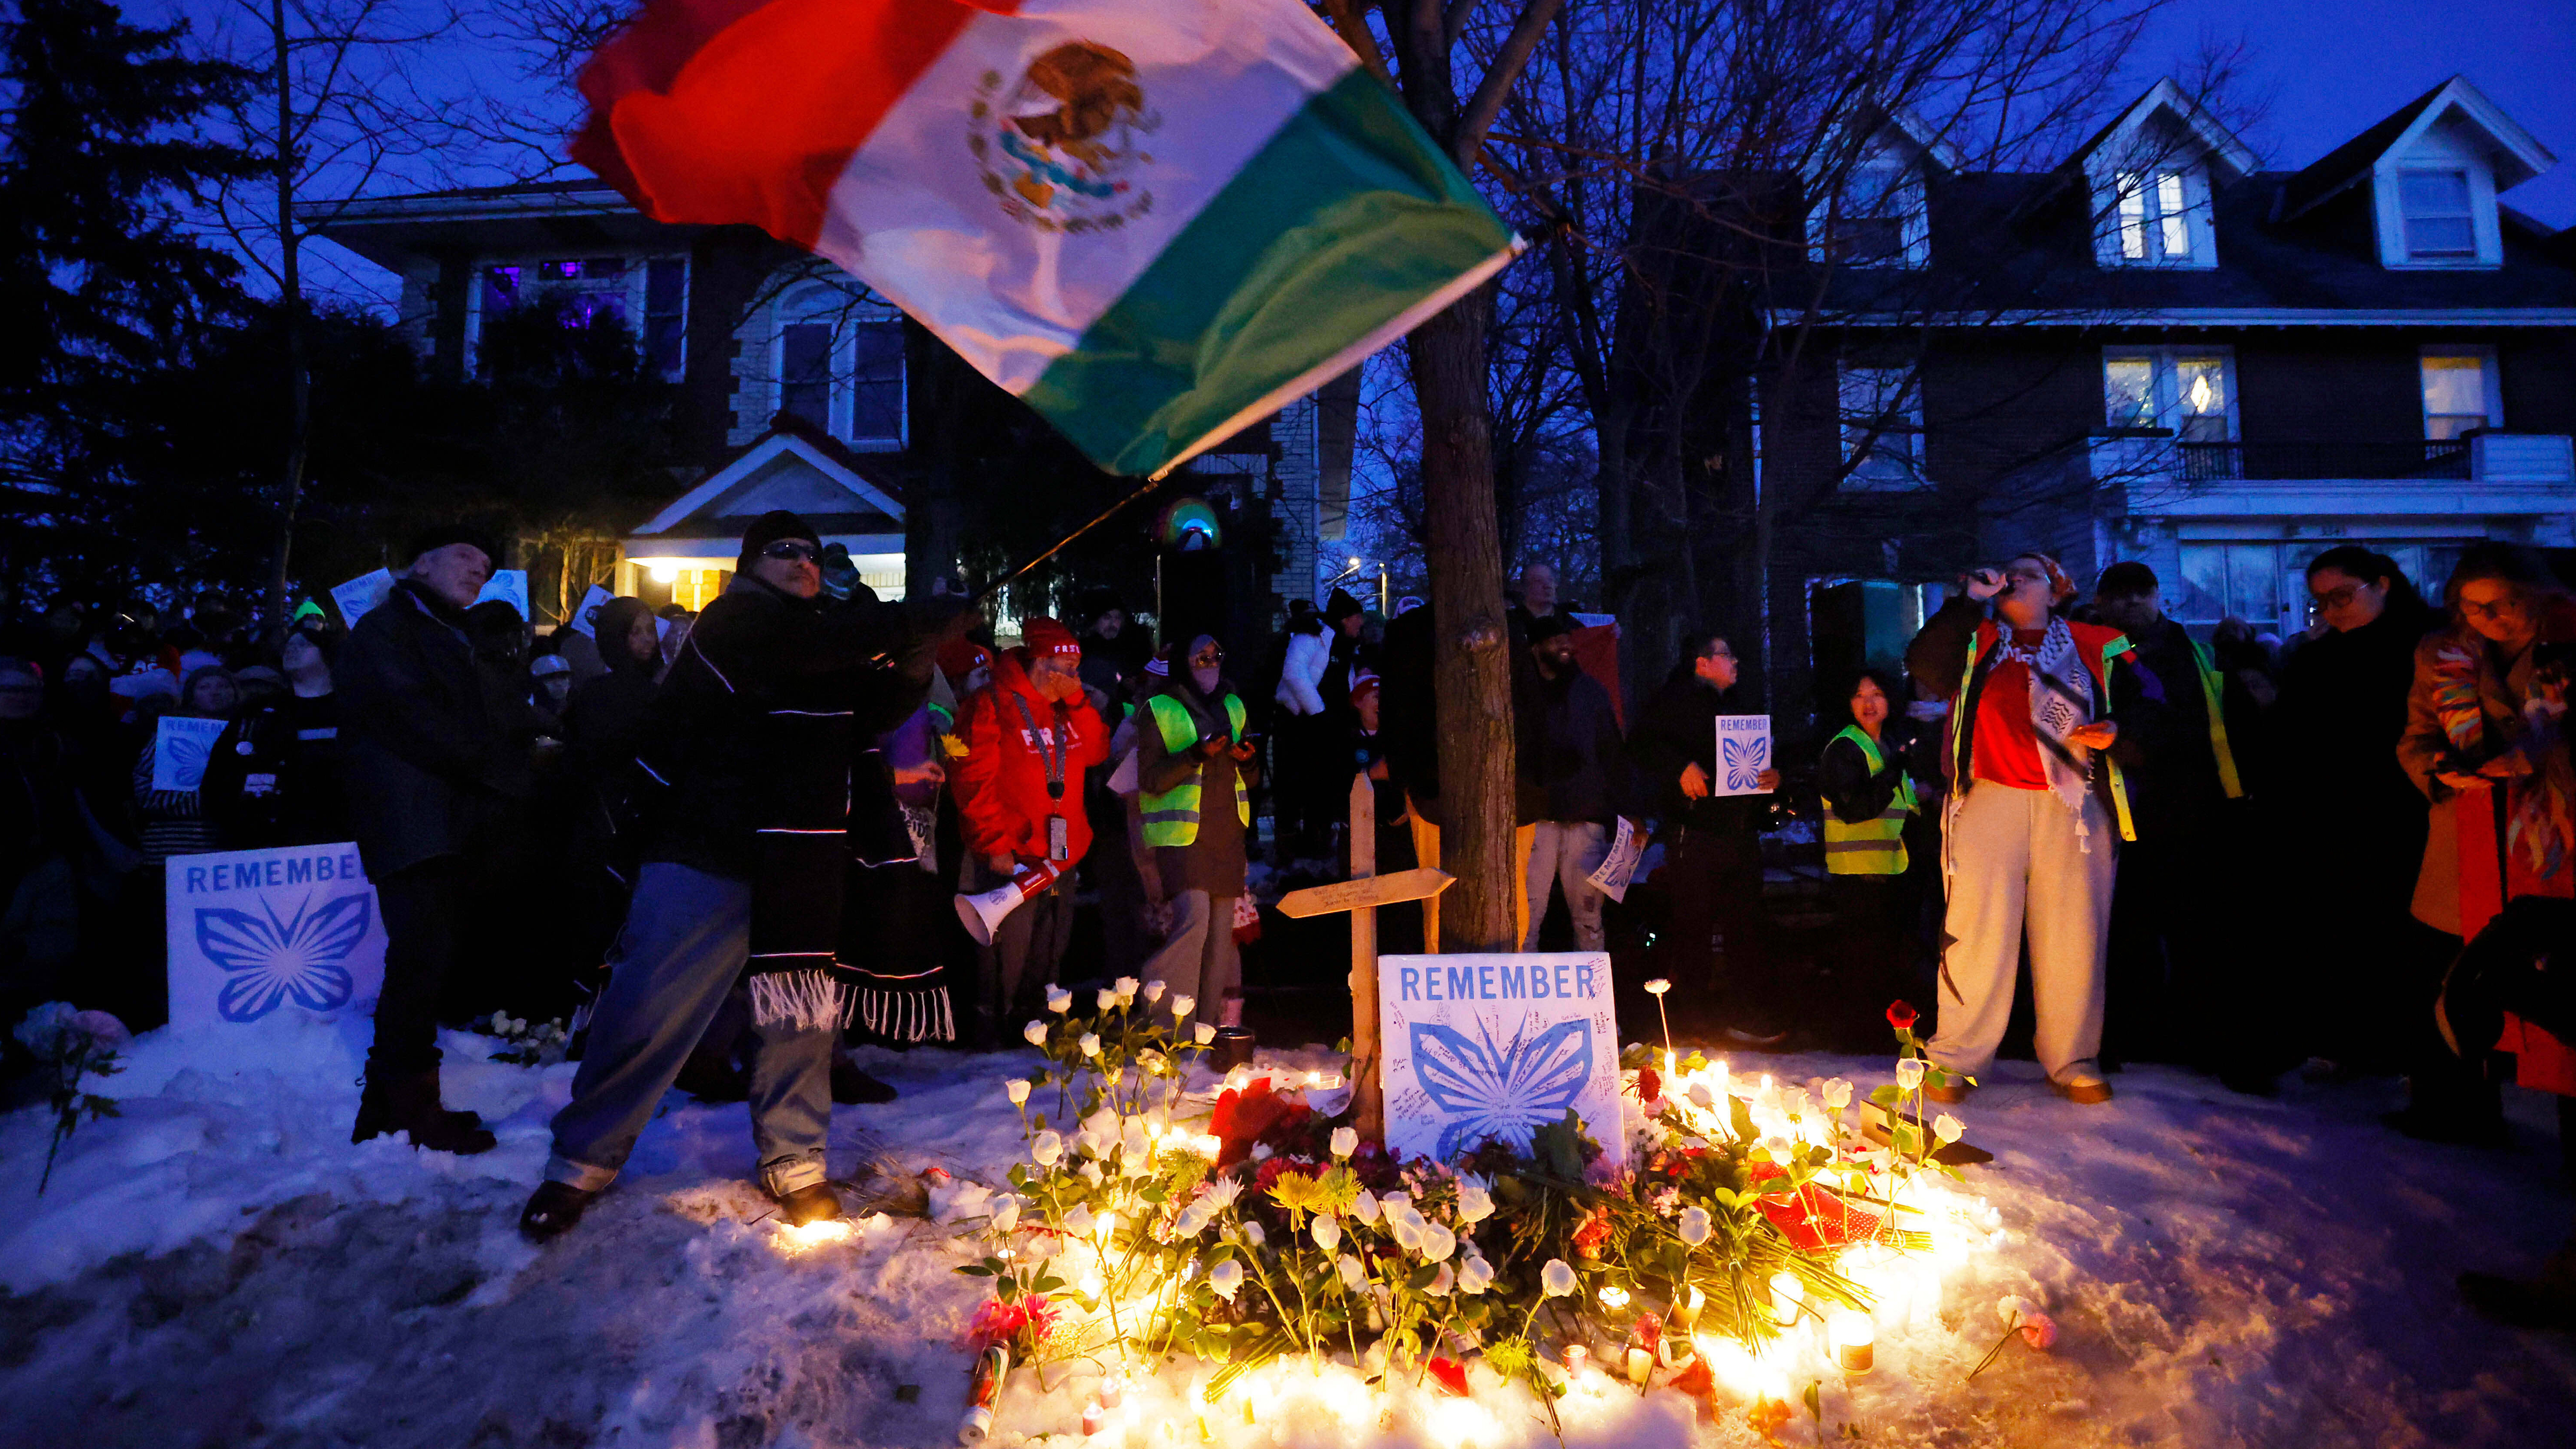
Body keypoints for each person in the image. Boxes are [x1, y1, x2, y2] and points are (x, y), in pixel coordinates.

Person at [522, 511, 950, 1239]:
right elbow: (796, 653)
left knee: (799, 1016)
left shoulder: (826, 643)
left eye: (811, 555)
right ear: (750, 564)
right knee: (650, 1005)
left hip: (800, 857)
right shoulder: (734, 623)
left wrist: (912, 660)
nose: (802, 563)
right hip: (705, 845)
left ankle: (796, 1162)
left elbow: (871, 708)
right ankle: (581, 1161)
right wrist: (902, 621)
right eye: (783, 551)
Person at [1904, 553, 2164, 1106]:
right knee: (1975, 931)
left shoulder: (2100, 644)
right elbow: (1926, 666)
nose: (2013, 576)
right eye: (2008, 570)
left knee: (2076, 933)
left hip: (2072, 801)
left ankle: (2072, 1057)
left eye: (2029, 571)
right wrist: (1969, 601)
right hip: (1989, 797)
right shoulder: (1977, 638)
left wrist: (2119, 729)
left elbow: (2153, 706)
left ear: (2057, 588)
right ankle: (1955, 1058)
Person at [339, 528, 536, 1153]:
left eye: (486, 565)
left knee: (426, 960)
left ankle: (390, 1105)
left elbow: (489, 714)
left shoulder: (448, 630)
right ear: (420, 562)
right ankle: (407, 1109)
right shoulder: (386, 630)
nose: (478, 569)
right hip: (410, 822)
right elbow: (412, 717)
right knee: (419, 959)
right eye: (464, 557)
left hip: (443, 822)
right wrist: (502, 771)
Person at [2392, 543, 2576, 1143]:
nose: (2487, 619)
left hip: (2554, 839)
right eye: (2472, 607)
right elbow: (2415, 736)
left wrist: (2538, 756)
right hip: (2466, 834)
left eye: (2503, 605)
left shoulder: (2567, 642)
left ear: (2538, 596)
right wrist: (2441, 770)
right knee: (2444, 964)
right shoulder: (2442, 653)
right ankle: (2453, 1108)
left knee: (2551, 977)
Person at [2266, 547, 2436, 1078]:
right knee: (2343, 931)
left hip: (2409, 812)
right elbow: (2291, 732)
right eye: (2321, 601)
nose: (2333, 610)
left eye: (2343, 596)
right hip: (2334, 818)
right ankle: (2348, 1038)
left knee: (2408, 933)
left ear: (2382, 583)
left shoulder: (2426, 646)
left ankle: (2416, 1045)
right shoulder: (2320, 657)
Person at [2089, 561, 2250, 1072]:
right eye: (2118, 595)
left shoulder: (2197, 655)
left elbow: (2219, 728)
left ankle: (2201, 1039)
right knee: (2122, 936)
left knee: (2196, 935)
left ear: (2158, 596)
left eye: (2140, 592)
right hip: (2111, 816)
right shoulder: (2087, 652)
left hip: (2188, 813)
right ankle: (2132, 1035)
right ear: (2100, 603)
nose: (2130, 602)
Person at [950, 617, 1109, 1045]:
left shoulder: (1067, 706)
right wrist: (993, 844)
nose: (1077, 679)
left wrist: (1079, 704)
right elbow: (971, 779)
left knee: (1050, 944)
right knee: (1007, 952)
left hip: (1061, 853)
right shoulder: (991, 704)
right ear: (1044, 666)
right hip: (1012, 854)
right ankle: (993, 1030)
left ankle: (1037, 1025)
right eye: (1070, 670)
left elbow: (1096, 750)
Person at [1626, 631, 1782, 1042]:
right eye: (1726, 655)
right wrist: (1679, 768)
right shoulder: (1673, 701)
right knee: (1693, 930)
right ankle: (1694, 1023)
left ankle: (1746, 1015)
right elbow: (1642, 745)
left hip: (1741, 831)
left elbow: (1764, 752)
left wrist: (1773, 776)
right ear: (1702, 662)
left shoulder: (1741, 703)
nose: (1735, 663)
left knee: (1745, 929)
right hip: (1694, 833)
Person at [1136, 634, 1256, 1022]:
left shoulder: (1233, 704)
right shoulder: (1160, 708)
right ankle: (1164, 1027)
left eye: (1216, 655)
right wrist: (1195, 754)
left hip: (1226, 833)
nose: (1210, 663)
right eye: (1201, 657)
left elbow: (1251, 780)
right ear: (1183, 663)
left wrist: (1248, 761)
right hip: (1184, 838)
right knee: (1195, 923)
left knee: (1222, 938)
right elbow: (1150, 779)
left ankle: (1203, 1030)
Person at [1817, 667, 1920, 1044]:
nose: (1868, 703)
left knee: (1888, 966)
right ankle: (1862, 1044)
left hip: (1889, 874)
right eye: (1860, 696)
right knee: (1865, 969)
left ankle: (1884, 1038)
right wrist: (1894, 775)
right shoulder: (1845, 748)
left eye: (1876, 694)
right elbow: (1853, 808)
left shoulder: (1887, 745)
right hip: (1859, 878)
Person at [1516, 616, 1623, 952]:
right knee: (1526, 918)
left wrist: (1624, 810)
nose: (1566, 646)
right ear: (1536, 648)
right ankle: (1522, 1000)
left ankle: (1594, 1000)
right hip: (1535, 821)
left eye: (1567, 639)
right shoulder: (1518, 694)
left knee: (1589, 919)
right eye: (1555, 640)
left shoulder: (1591, 692)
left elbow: (1612, 752)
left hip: (1584, 818)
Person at [203, 625, 349, 850]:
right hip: (268, 845)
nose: (291, 649)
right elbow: (219, 776)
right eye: (289, 645)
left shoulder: (355, 711)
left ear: (328, 654)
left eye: (303, 644)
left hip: (343, 841)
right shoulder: (257, 713)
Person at [1271, 602, 1331, 861]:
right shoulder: (1310, 638)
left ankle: (1293, 844)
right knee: (1299, 782)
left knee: (1293, 783)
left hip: (1292, 716)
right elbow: (1294, 673)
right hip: (1298, 718)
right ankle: (1302, 844)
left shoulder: (1291, 638)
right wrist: (1317, 711)